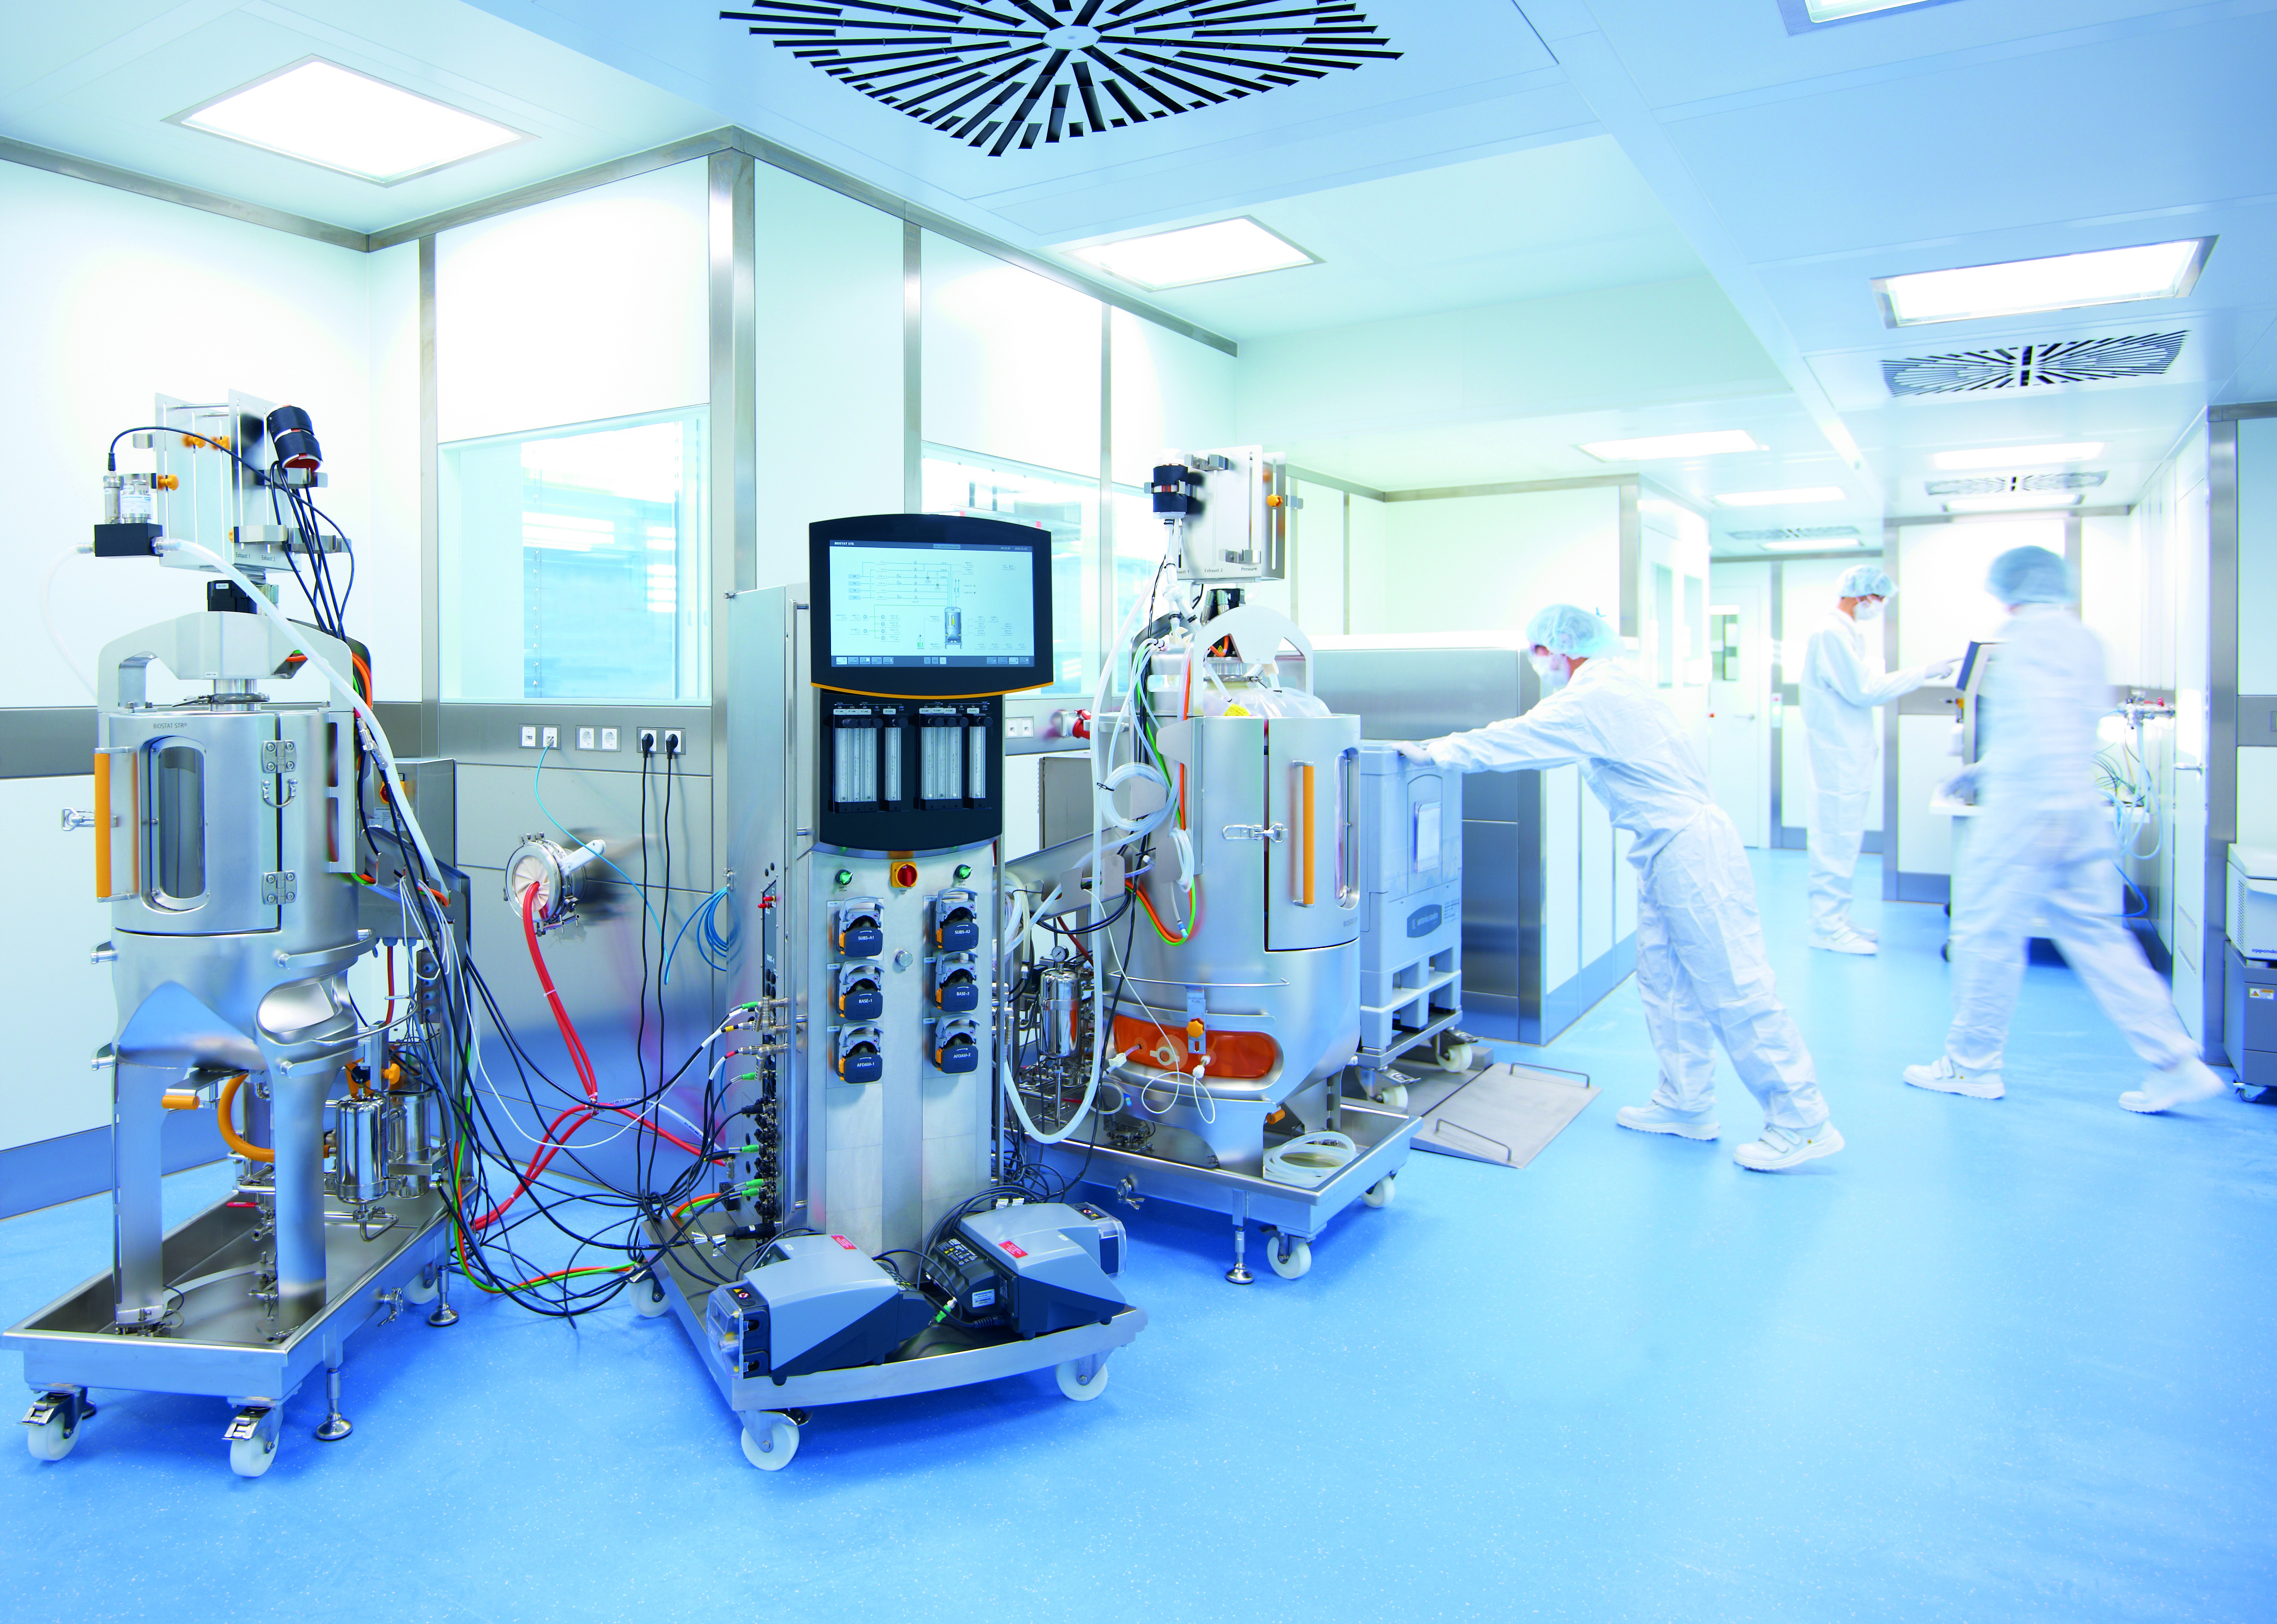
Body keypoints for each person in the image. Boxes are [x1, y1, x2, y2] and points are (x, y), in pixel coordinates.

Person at [1403, 605, 1843, 1171]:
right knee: (1666, 979)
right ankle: (1686, 1103)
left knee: (1734, 984)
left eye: (1540, 653)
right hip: (1665, 849)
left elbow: (1519, 740)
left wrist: (1435, 751)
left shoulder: (1596, 697)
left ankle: (1802, 1121)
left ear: (1561, 650)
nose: (1540, 665)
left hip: (1691, 850)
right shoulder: (1607, 686)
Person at [1903, 545, 2224, 1114]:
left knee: (1985, 933)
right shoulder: (2085, 639)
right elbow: (2066, 722)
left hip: (2027, 808)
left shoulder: (2023, 639)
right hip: (2076, 803)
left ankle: (1971, 1065)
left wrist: (1983, 772)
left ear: (2009, 590)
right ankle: (2177, 1062)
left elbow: (2031, 729)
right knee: (2100, 937)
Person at [1799, 564, 1958, 954]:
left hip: (1846, 751)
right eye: (1879, 599)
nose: (1879, 607)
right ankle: (1825, 927)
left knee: (1844, 837)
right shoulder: (1830, 633)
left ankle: (1836, 917)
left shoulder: (1845, 634)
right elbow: (1864, 690)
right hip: (1836, 754)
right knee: (1835, 838)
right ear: (1861, 595)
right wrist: (1921, 673)